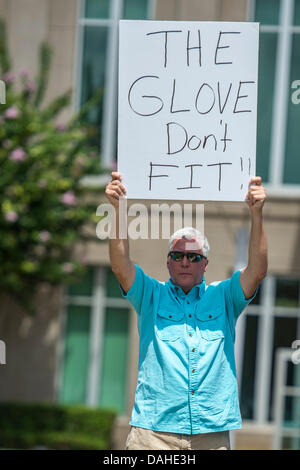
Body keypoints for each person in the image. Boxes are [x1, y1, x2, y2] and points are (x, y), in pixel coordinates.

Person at [105, 172, 267, 450]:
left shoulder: (225, 296)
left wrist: (257, 214)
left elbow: (257, 270)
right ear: (168, 262)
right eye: (177, 256)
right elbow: (121, 264)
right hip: (153, 434)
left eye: (193, 257)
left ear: (205, 264)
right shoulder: (150, 295)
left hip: (211, 433)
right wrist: (117, 209)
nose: (184, 262)